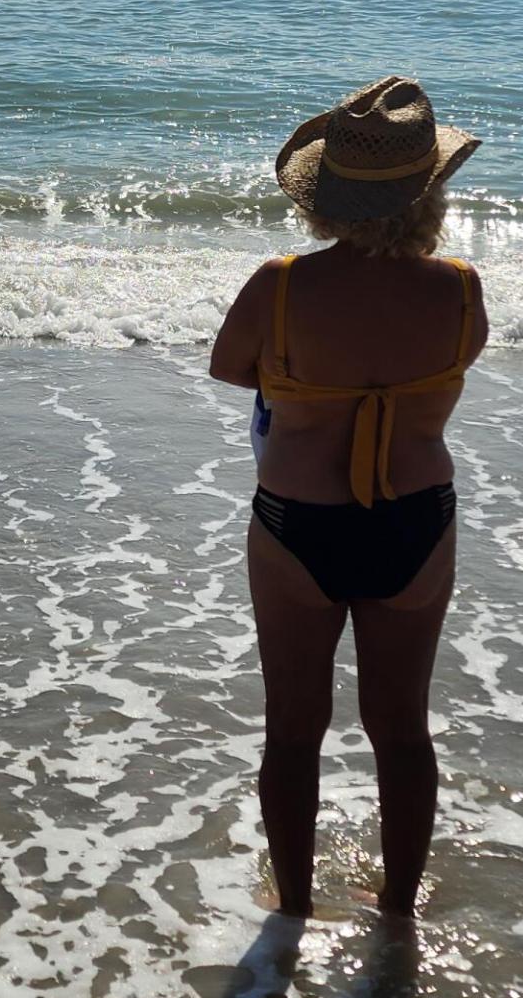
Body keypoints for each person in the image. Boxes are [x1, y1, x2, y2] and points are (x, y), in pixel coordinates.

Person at [208, 75, 487, 923]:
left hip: (299, 525)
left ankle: (292, 906)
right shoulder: (458, 288)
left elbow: (228, 368)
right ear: (429, 192)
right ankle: (397, 907)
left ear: (323, 198)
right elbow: (461, 358)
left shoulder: (281, 286)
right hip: (415, 521)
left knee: (293, 730)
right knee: (403, 730)